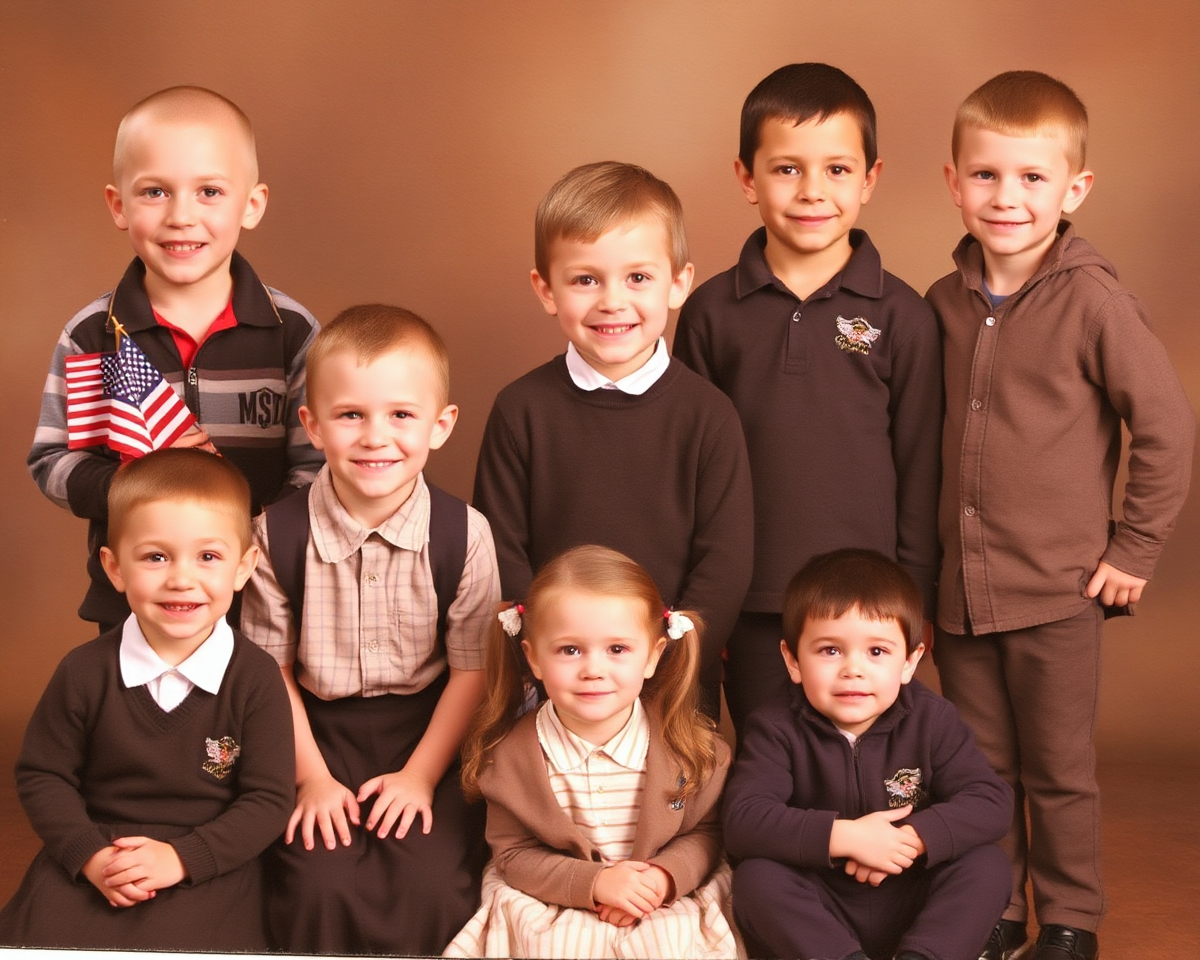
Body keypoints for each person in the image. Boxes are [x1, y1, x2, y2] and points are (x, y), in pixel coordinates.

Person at [929, 71, 1195, 960]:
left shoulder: (1096, 303)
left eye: (1033, 178)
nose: (1008, 198)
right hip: (961, 597)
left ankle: (1071, 919)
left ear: (1074, 189)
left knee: (1059, 770)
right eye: (988, 176)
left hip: (1059, 592)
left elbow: (1164, 427)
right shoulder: (940, 304)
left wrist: (1136, 546)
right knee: (979, 769)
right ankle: (996, 908)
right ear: (953, 180)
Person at [673, 63, 942, 735]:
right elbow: (690, 465)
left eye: (838, 170)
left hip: (866, 605)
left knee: (852, 772)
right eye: (787, 169)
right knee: (766, 761)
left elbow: (920, 469)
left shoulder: (903, 316)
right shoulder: (710, 312)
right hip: (750, 595)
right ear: (746, 178)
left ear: (871, 179)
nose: (812, 191)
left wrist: (915, 599)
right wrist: (705, 597)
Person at [239, 303, 500, 955]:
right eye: (350, 414)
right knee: (317, 881)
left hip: (429, 731)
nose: (375, 437)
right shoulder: (278, 534)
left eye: (401, 415)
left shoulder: (463, 534)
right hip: (312, 731)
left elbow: (474, 669)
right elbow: (268, 670)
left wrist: (419, 776)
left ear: (440, 426)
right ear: (313, 425)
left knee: (434, 882)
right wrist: (313, 780)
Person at [28, 85, 323, 633]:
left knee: (249, 717)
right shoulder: (93, 335)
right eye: (155, 192)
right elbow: (51, 461)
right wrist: (128, 490)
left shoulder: (293, 334)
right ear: (119, 205)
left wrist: (243, 541)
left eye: (209, 190)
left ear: (252, 205)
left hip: (261, 594)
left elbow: (315, 469)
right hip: (133, 601)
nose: (181, 216)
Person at [473, 161, 753, 721]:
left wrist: (670, 654)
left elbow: (724, 563)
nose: (612, 301)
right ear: (545, 289)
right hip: (554, 680)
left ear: (678, 284)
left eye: (638, 278)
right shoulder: (521, 410)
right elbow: (498, 549)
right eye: (585, 279)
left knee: (670, 808)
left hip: (673, 678)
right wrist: (558, 653)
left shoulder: (709, 416)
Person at [0, 448, 294, 951]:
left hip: (210, 857)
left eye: (208, 556)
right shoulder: (84, 670)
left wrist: (182, 859)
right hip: (98, 847)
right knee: (39, 941)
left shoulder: (256, 677)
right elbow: (43, 775)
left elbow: (267, 800)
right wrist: (90, 856)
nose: (181, 578)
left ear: (244, 568)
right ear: (114, 568)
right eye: (156, 556)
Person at [445, 544, 737, 959]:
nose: (593, 669)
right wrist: (593, 883)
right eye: (570, 650)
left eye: (617, 649)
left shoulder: (693, 749)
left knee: (668, 946)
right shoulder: (510, 758)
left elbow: (707, 834)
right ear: (535, 659)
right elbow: (513, 854)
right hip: (554, 897)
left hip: (661, 899)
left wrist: (663, 877)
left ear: (652, 656)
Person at [723, 548, 1012, 960]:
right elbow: (743, 820)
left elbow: (991, 801)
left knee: (987, 866)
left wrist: (909, 840)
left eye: (877, 652)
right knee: (757, 878)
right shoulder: (774, 725)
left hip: (911, 895)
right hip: (822, 909)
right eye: (830, 650)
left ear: (910, 662)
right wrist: (849, 838)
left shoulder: (933, 719)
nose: (852, 670)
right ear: (792, 660)